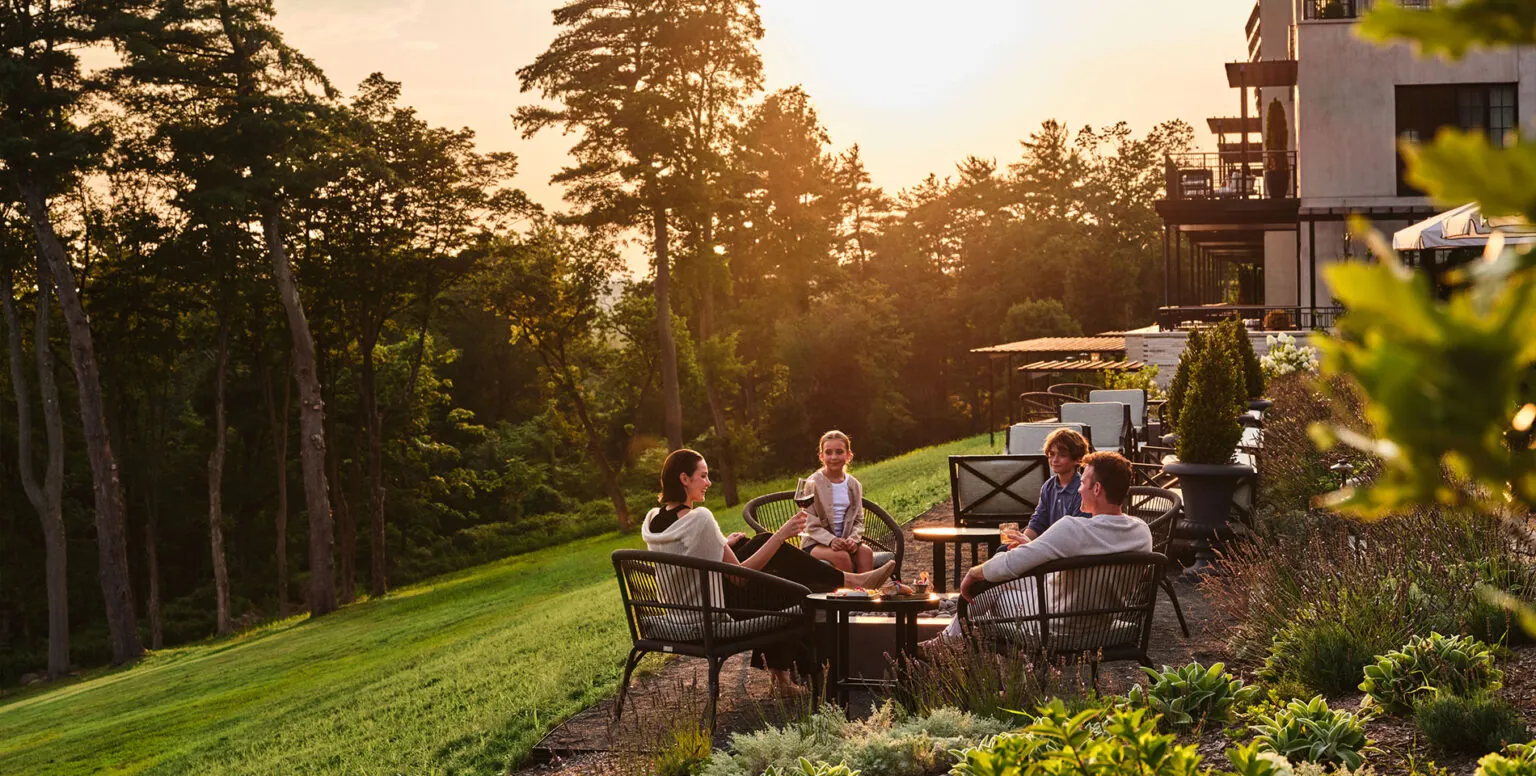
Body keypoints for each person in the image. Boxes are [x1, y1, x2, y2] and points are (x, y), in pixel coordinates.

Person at [642, 449, 896, 691]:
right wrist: (782, 535)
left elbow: (687, 555)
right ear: (684, 479)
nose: (708, 482)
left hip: (685, 606)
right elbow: (739, 577)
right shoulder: (700, 518)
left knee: (761, 544)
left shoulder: (654, 518)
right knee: (796, 589)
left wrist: (724, 544)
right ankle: (850, 585)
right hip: (712, 609)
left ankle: (785, 675)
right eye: (703, 476)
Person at [927, 451, 1152, 645]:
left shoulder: (1072, 529)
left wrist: (973, 572)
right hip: (1102, 619)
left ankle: (949, 650)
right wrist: (1035, 547)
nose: (1079, 489)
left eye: (1083, 483)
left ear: (1097, 489)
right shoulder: (1141, 532)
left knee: (989, 591)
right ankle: (944, 643)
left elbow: (1008, 564)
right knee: (1009, 585)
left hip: (1055, 623)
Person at [798, 430, 876, 573]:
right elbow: (809, 524)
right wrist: (832, 540)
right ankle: (847, 594)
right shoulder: (812, 483)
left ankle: (864, 594)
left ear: (848, 455)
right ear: (821, 456)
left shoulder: (854, 485)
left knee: (866, 553)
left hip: (845, 541)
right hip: (816, 543)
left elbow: (858, 520)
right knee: (842, 556)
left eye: (839, 452)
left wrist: (853, 539)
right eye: (828, 452)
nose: (834, 457)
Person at [1002, 428, 1090, 549]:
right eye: (1052, 454)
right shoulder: (1049, 486)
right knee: (1005, 549)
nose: (1054, 460)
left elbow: (1075, 533)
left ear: (1077, 459)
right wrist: (1023, 541)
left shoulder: (1082, 490)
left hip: (1066, 550)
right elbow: (1038, 521)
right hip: (1045, 544)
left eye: (1062, 455)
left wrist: (1034, 546)